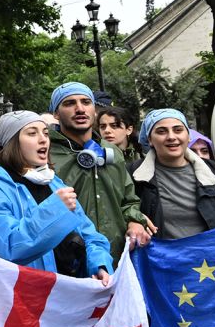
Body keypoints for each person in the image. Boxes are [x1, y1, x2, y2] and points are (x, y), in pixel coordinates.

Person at [0, 111, 114, 281]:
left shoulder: (55, 183)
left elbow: (90, 236)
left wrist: (99, 265)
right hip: (33, 298)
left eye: (46, 133)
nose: (43, 139)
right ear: (12, 143)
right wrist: (55, 210)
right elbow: (9, 247)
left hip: (70, 294)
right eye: (32, 133)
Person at [47, 82, 151, 260]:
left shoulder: (112, 151)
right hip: (68, 262)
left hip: (116, 258)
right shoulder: (44, 153)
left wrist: (135, 220)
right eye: (69, 103)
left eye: (86, 102)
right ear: (56, 114)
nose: (80, 109)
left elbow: (128, 200)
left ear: (94, 110)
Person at [131, 108, 215, 239]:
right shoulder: (133, 174)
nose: (171, 137)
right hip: (162, 258)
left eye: (178, 130)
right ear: (150, 140)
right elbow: (121, 211)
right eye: (161, 131)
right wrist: (132, 221)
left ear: (188, 136)